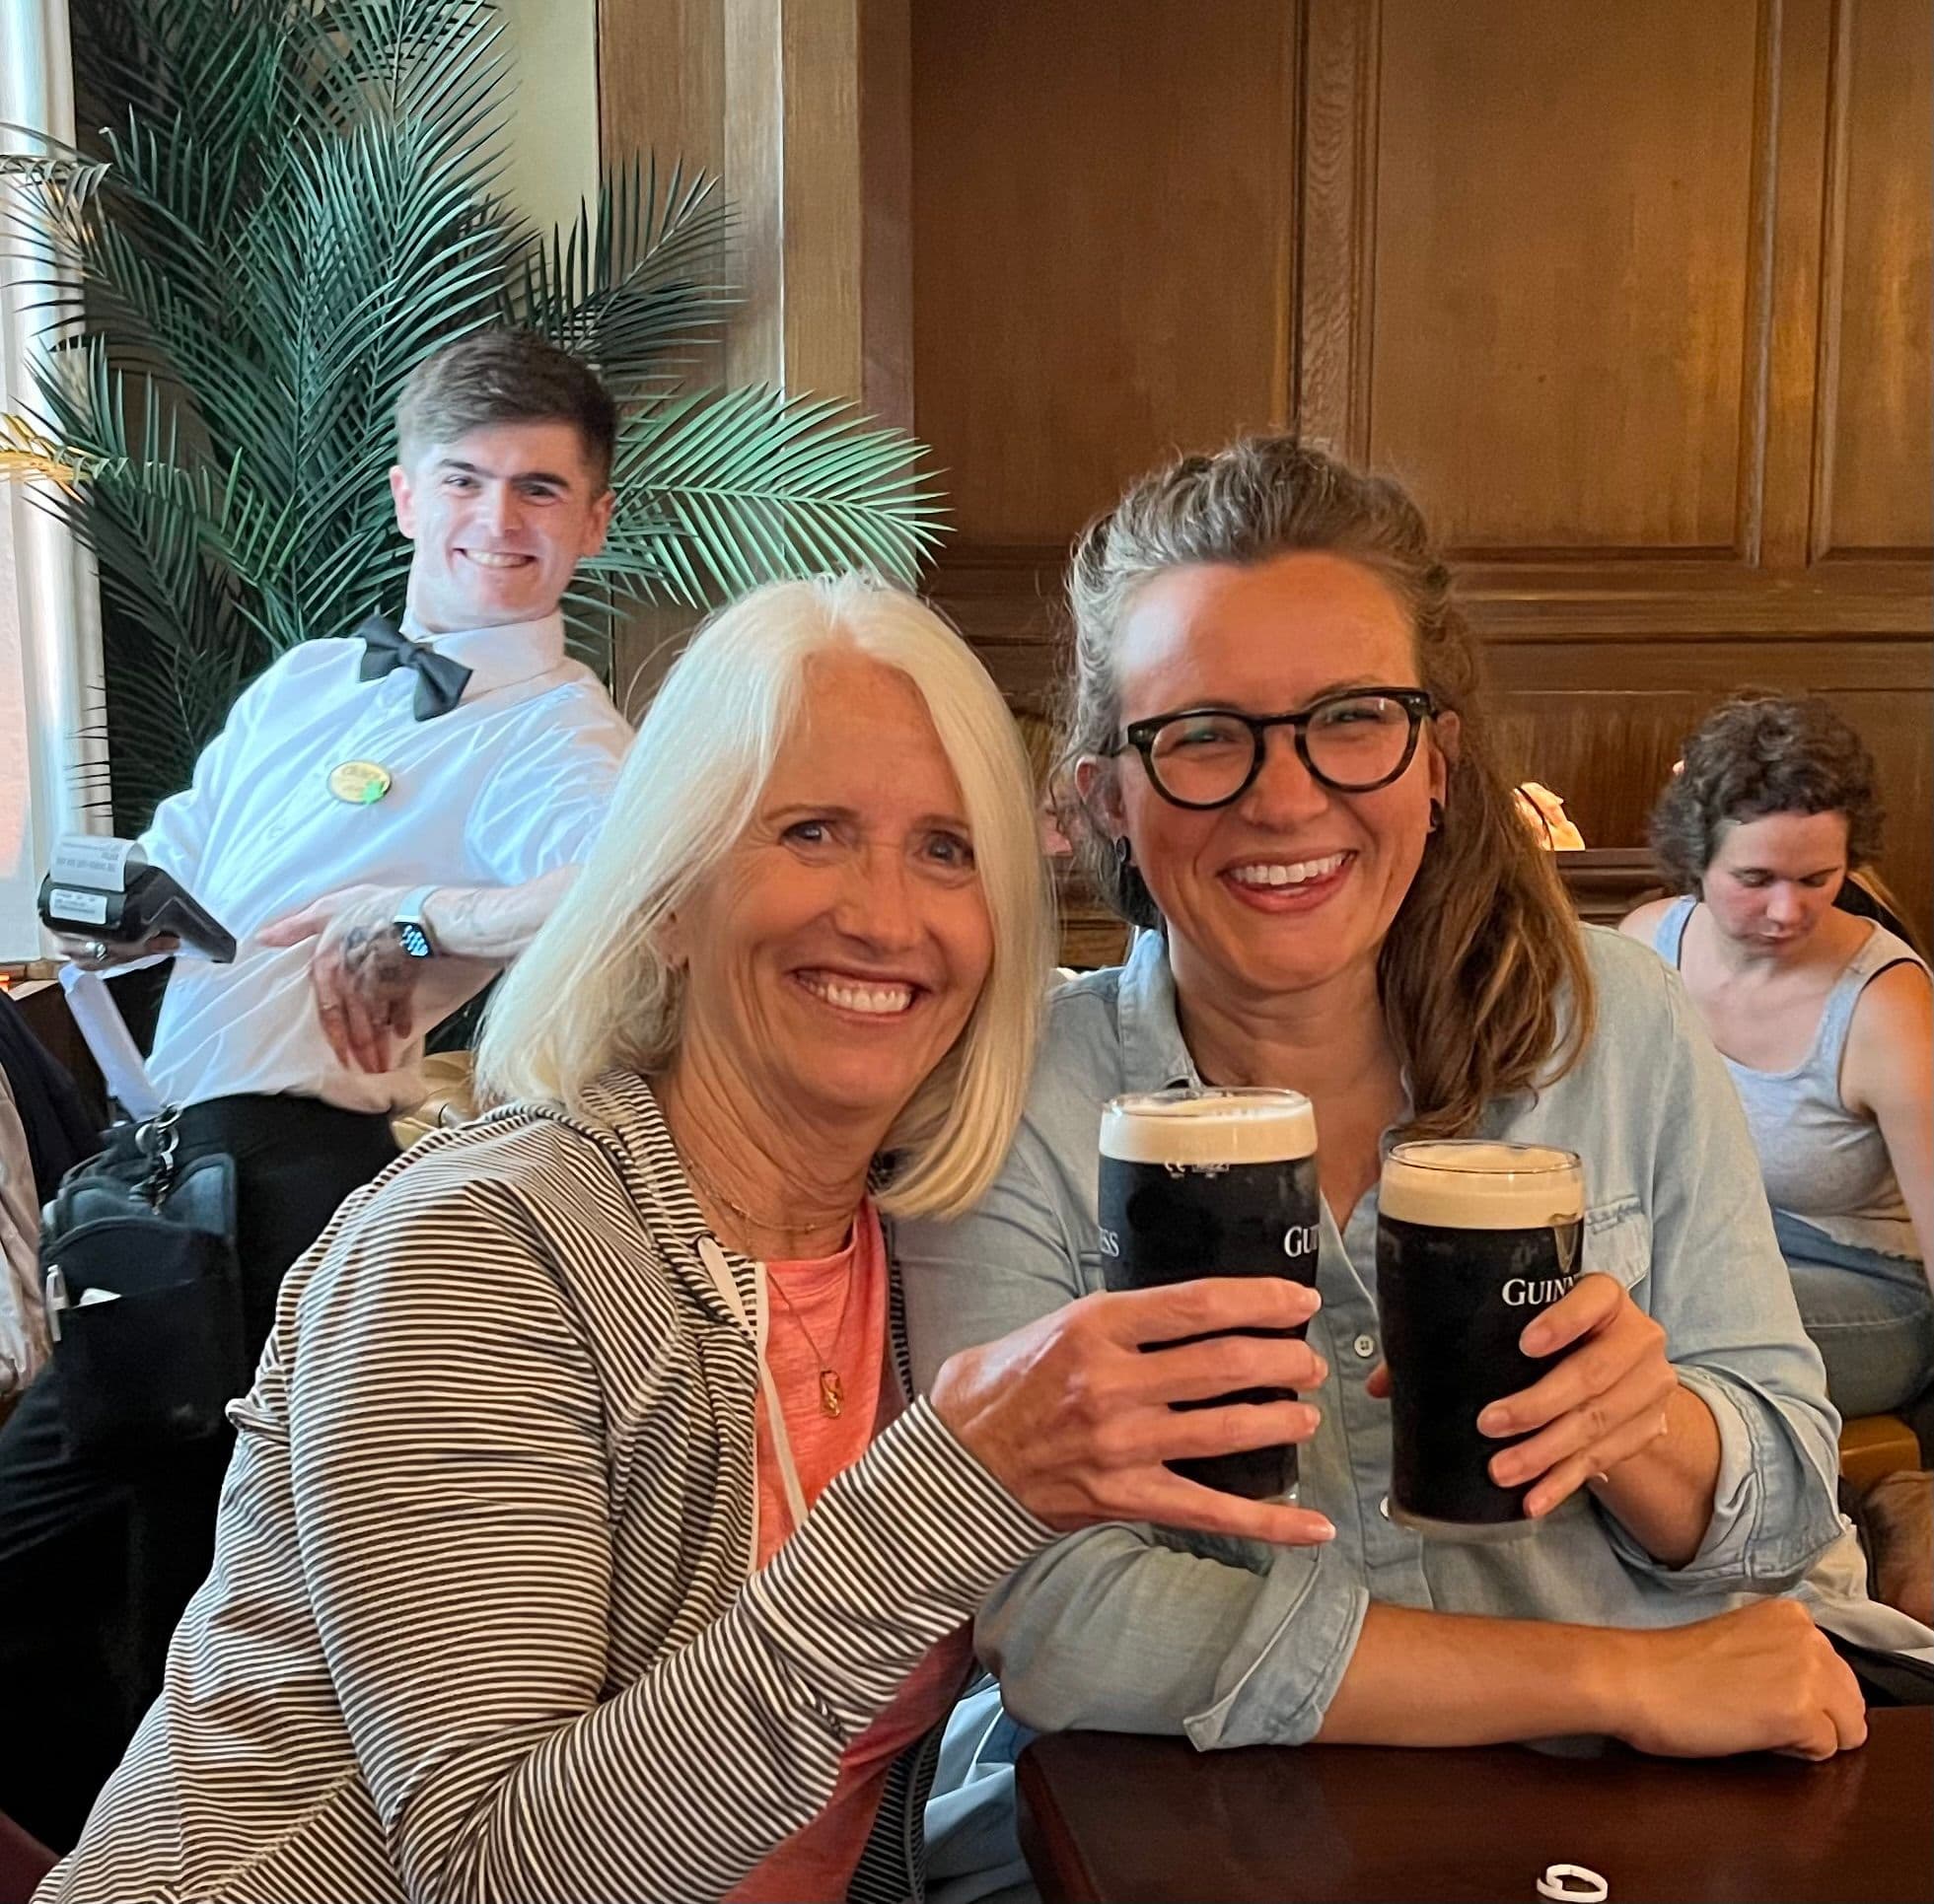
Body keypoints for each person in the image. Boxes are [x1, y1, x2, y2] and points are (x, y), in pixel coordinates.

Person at [38, 575, 1333, 1904]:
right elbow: (496, 1872)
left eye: (946, 849)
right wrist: (948, 1490)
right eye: (810, 830)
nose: (886, 915)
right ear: (665, 897)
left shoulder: (921, 1237)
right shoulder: (480, 1246)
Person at [897, 438, 1934, 1845]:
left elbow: (1782, 1495)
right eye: (1202, 733)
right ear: (1107, 800)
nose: (1282, 795)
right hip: (1237, 1829)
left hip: (1660, 1807)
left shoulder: (1613, 1014)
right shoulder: (1020, 1087)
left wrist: (1647, 1432)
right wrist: (1615, 1675)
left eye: (1351, 718)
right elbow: (1062, 1620)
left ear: (1436, 762)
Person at [0, 328, 637, 1850]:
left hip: (298, 1186)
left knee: (193, 1598)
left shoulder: (562, 727)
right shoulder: (300, 680)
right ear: (407, 492)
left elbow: (632, 877)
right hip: (160, 1167)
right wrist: (129, 895)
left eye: (540, 488)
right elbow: (185, 836)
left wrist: (423, 917)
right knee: (48, 1561)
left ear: (592, 520)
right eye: (469, 479)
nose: (500, 517)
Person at [1620, 697, 1932, 1422]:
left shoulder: (1885, 1005)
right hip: (1690, 1259)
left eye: (1818, 879)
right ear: (1695, 857)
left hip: (1862, 1289)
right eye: (1755, 880)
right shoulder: (1644, 946)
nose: (1787, 911)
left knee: (1634, 1342)